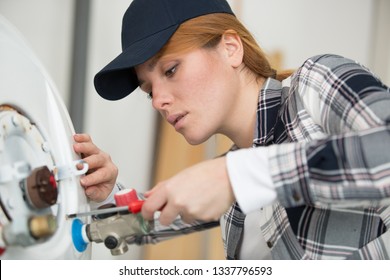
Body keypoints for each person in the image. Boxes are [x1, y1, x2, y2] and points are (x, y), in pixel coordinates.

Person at [73, 0, 390, 259]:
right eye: (148, 90)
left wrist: (238, 176)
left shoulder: (314, 83)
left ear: (230, 48)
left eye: (171, 69)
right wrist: (107, 197)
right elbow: (155, 217)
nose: (158, 101)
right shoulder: (237, 169)